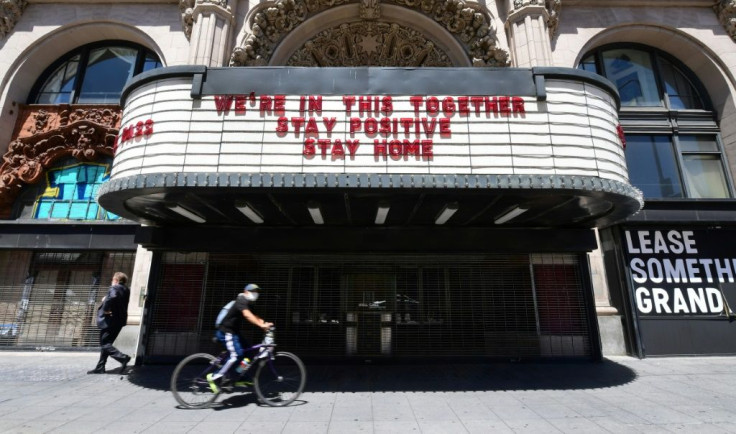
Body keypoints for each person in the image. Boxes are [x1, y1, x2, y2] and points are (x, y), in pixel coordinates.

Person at [207, 283, 272, 392]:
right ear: (246, 291)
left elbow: (255, 316)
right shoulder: (241, 300)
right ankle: (214, 377)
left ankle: (238, 374)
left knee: (248, 354)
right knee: (236, 355)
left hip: (234, 333)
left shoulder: (249, 303)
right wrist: (261, 325)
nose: (255, 294)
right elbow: (247, 315)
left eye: (257, 292)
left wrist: (265, 323)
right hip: (226, 332)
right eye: (253, 291)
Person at [88, 272, 132, 374]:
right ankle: (100, 367)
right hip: (119, 321)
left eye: (113, 279)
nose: (112, 281)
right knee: (107, 343)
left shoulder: (114, 288)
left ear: (116, 280)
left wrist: (106, 308)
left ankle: (123, 358)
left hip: (110, 320)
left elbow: (112, 297)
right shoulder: (126, 289)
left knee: (104, 343)